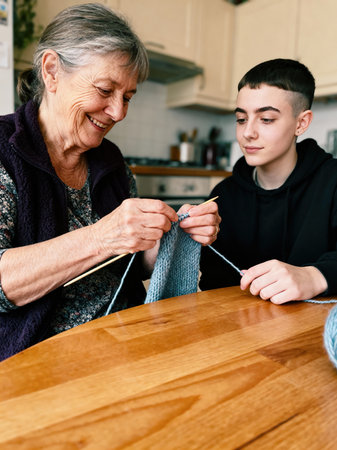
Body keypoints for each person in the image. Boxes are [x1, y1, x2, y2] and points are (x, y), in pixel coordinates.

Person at [0, 3, 220, 360]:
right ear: (52, 71)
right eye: (105, 90)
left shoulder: (111, 162)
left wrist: (175, 233)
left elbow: (131, 259)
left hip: (125, 342)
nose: (118, 112)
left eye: (128, 97)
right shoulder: (4, 152)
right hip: (36, 362)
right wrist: (103, 236)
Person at [200, 58, 337, 304]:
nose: (248, 132)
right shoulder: (224, 195)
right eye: (241, 119)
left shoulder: (333, 181)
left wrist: (314, 276)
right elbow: (212, 284)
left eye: (266, 119)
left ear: (301, 122)